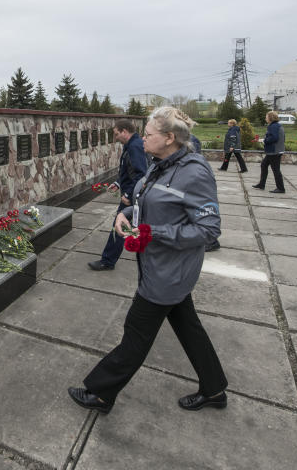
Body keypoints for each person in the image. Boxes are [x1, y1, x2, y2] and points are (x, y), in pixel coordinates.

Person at [69, 107, 228, 414]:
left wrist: (152, 231)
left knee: (136, 334)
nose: (142, 139)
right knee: (188, 327)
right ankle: (214, 388)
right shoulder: (162, 165)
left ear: (170, 138)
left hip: (169, 272)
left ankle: (101, 393)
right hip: (160, 266)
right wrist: (127, 213)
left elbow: (209, 229)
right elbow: (147, 198)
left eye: (149, 134)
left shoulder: (193, 172)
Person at [89, 119, 147, 271]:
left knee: (119, 226)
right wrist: (118, 183)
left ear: (124, 132)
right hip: (130, 192)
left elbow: (141, 173)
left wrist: (128, 194)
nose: (115, 138)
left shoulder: (135, 146)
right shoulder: (131, 145)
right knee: (128, 226)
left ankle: (107, 261)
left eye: (116, 134)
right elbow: (128, 169)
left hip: (131, 196)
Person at [252, 111, 285, 193]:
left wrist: (264, 141)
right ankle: (261, 184)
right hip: (277, 150)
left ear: (270, 117)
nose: (265, 118)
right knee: (264, 165)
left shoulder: (273, 126)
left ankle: (280, 188)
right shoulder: (277, 125)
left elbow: (274, 138)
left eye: (266, 117)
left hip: (274, 151)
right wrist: (264, 140)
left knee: (276, 170)